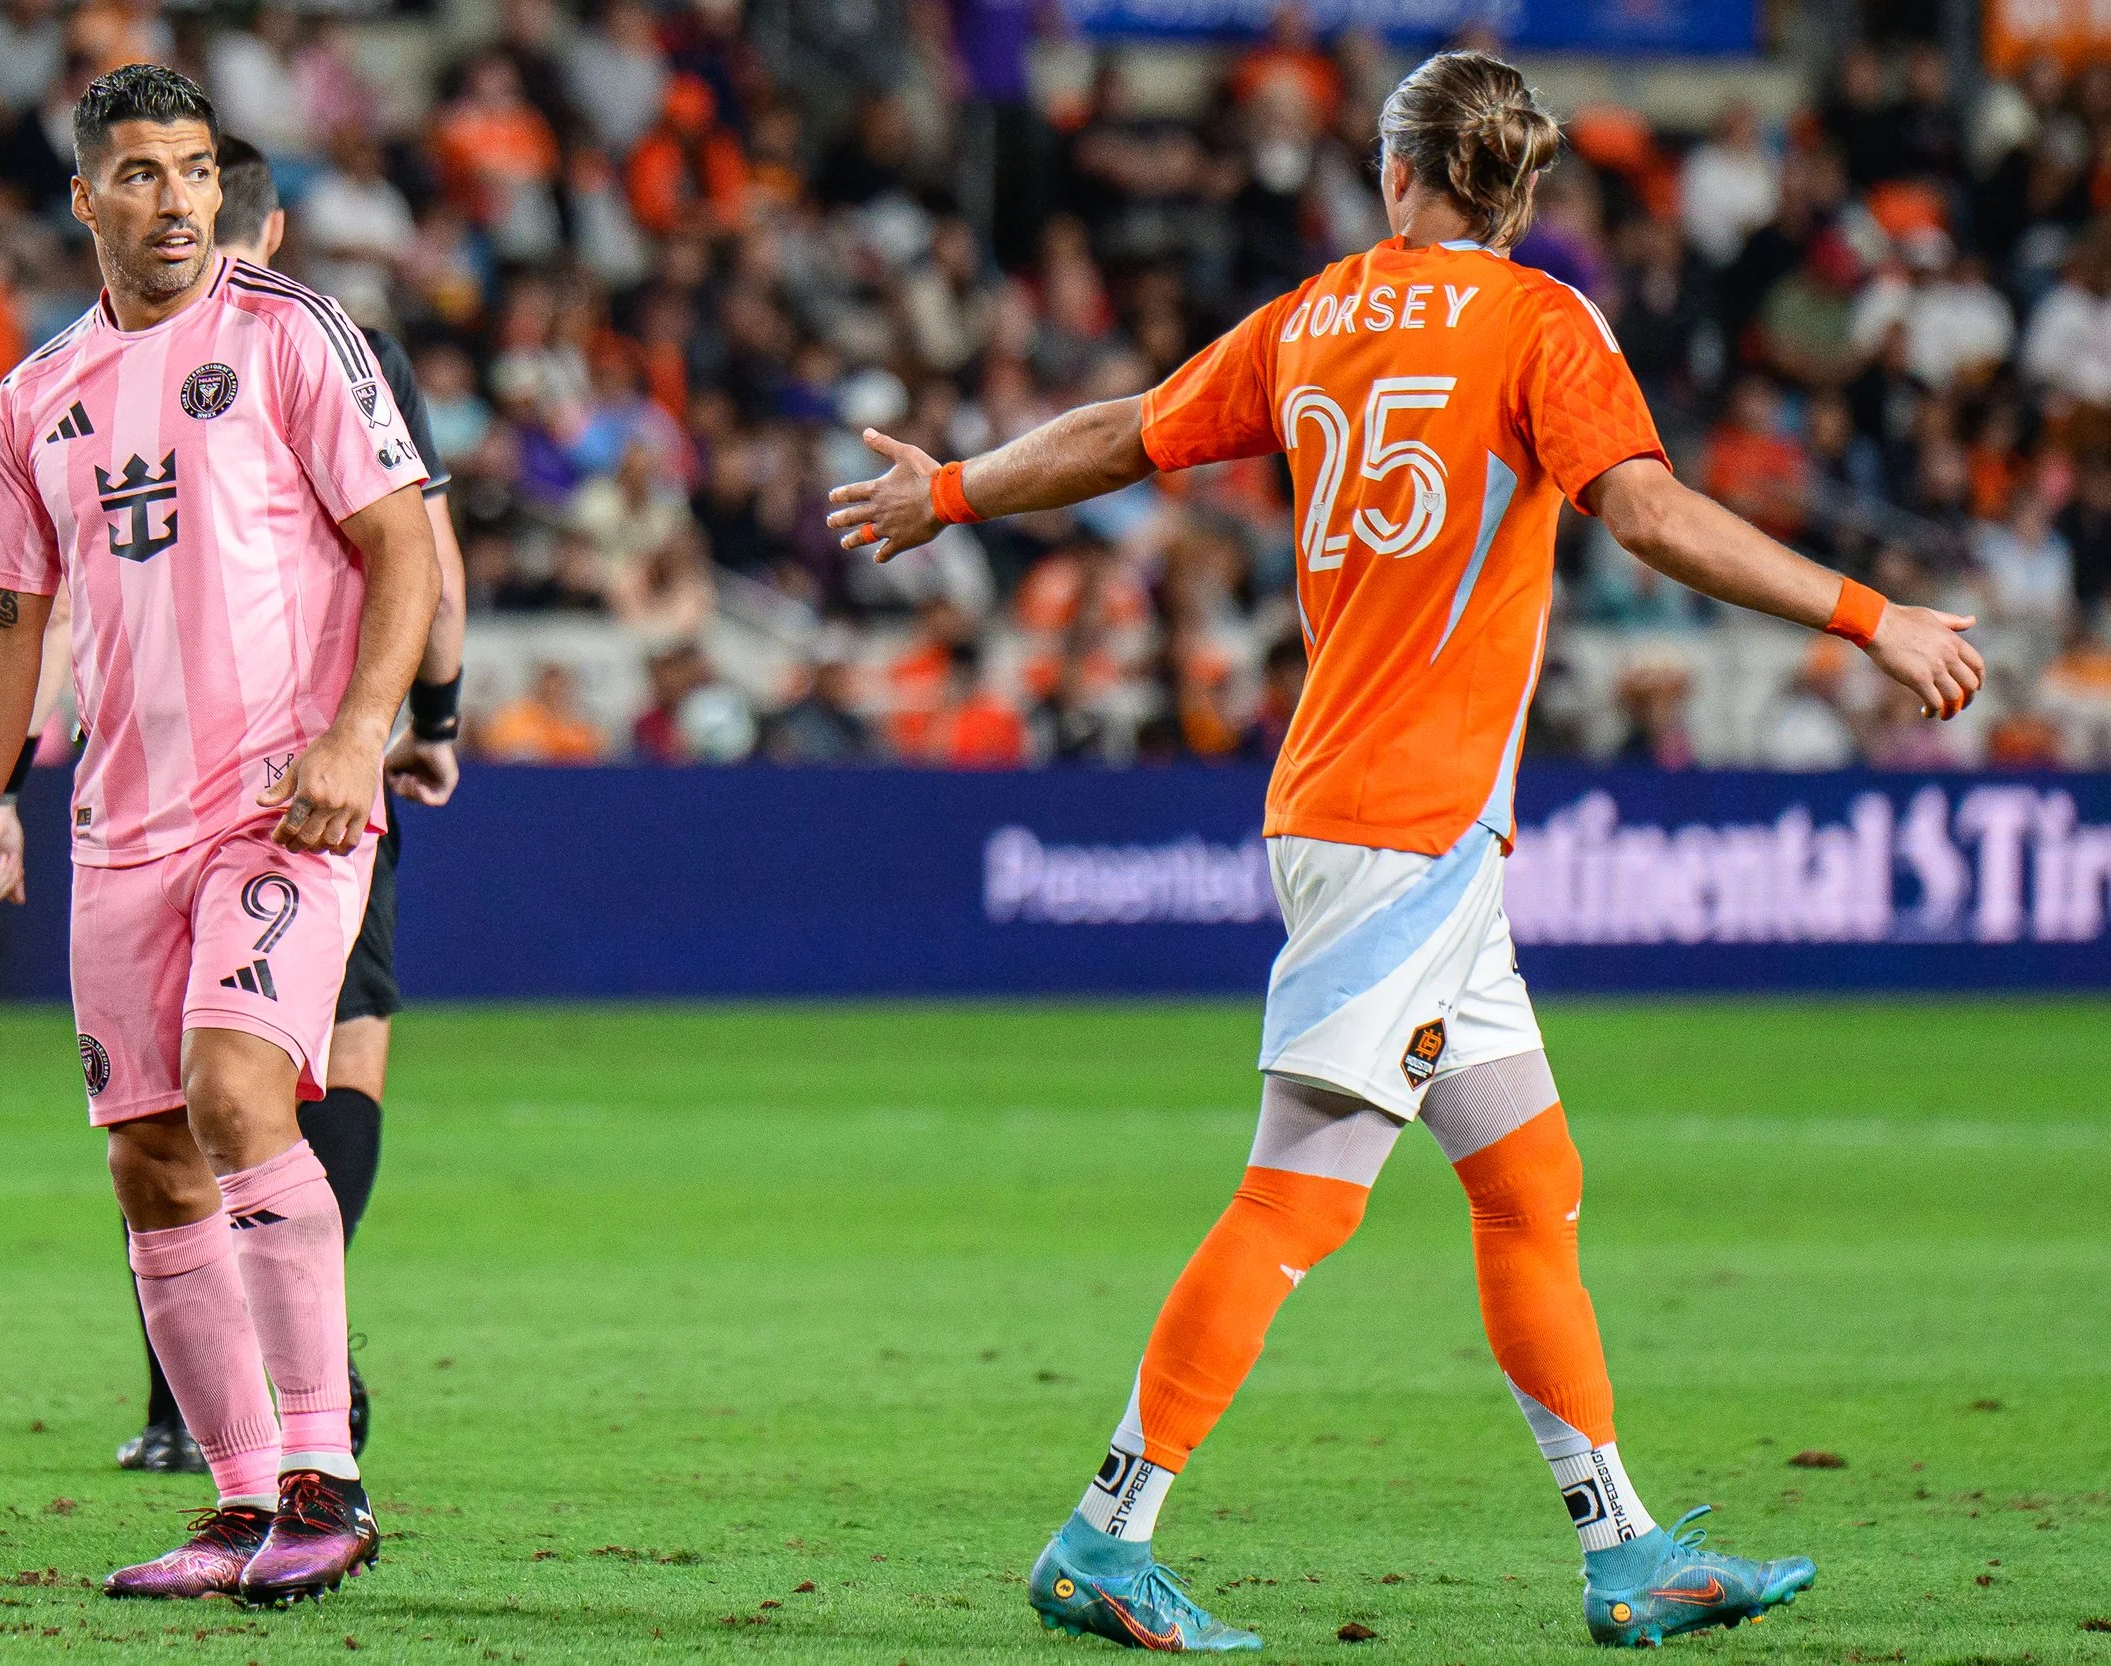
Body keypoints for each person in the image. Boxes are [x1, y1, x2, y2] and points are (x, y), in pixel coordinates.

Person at [828, 49, 1984, 1653]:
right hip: (1408, 830)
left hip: (1381, 821)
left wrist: (952, 487)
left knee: (1528, 1178)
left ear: (1395, 173)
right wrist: (1873, 615)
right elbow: (1644, 516)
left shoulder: (1316, 314)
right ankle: (1107, 1528)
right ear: (1527, 188)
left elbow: (1127, 431)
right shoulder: (1541, 324)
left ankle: (1624, 1545)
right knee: (1299, 1197)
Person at [0, 66, 440, 1605]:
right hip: (119, 825)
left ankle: (325, 1477)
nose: (177, 201)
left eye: (196, 169)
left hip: (285, 799)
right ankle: (232, 1502)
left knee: (229, 1089)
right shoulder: (38, 397)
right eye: (138, 174)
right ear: (84, 198)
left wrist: (360, 733)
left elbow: (402, 541)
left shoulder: (290, 333)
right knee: (149, 1159)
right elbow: (6, 626)